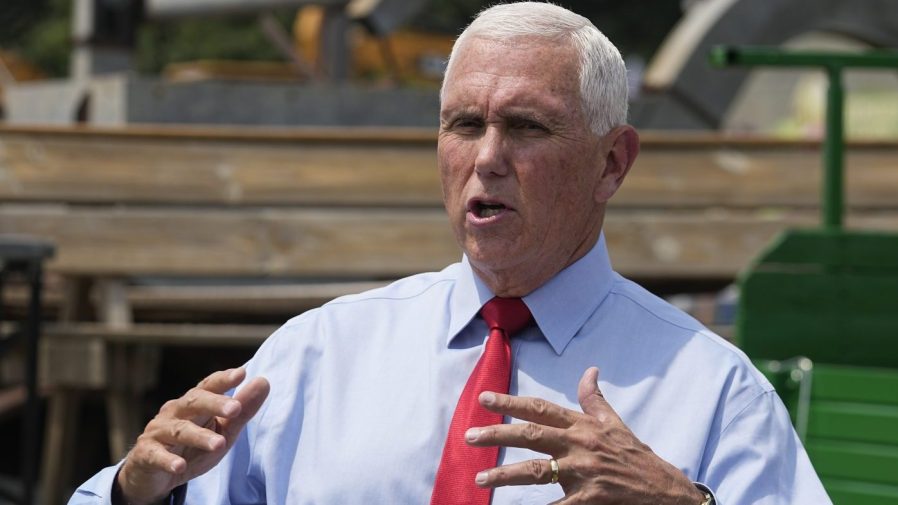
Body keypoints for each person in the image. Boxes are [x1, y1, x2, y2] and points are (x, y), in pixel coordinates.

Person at [70, 3, 831, 504]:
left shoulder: (714, 392)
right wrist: (136, 490)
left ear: (611, 163)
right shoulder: (315, 359)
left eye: (528, 128)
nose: (488, 157)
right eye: (464, 124)